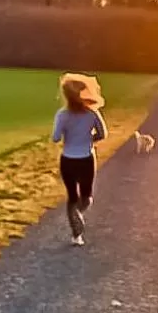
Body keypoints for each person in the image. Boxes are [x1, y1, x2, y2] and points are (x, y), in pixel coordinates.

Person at [52, 73, 107, 245]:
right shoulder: (92, 113)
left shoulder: (62, 114)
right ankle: (78, 219)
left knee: (72, 197)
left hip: (68, 160)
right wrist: (89, 139)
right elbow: (103, 134)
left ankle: (76, 232)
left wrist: (66, 134)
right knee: (86, 197)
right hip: (86, 159)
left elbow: (55, 138)